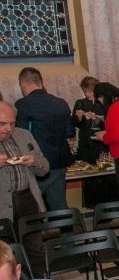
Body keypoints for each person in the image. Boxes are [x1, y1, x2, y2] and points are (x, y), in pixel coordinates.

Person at [15, 68, 74, 211]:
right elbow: (70, 132)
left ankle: (37, 233)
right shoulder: (61, 103)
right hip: (60, 160)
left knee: (31, 205)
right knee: (59, 203)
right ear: (41, 82)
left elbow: (21, 136)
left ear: (23, 83)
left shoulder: (24, 104)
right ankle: (67, 232)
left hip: (38, 163)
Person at [0, 102, 49, 248]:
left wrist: (34, 162)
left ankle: (35, 271)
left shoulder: (24, 135)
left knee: (34, 248)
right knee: (6, 253)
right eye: (2, 124)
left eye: (12, 124)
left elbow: (45, 168)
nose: (8, 129)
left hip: (28, 200)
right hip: (2, 204)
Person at [71, 77, 105, 164]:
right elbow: (73, 124)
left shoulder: (103, 104)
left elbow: (109, 124)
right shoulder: (80, 103)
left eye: (90, 92)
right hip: (85, 143)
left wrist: (96, 118)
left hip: (101, 144)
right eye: (84, 92)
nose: (87, 94)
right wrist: (78, 117)